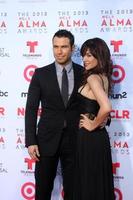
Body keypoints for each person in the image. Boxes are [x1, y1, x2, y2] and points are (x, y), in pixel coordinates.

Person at [25, 29, 83, 200]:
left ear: (72, 48)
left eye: (64, 47)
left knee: (74, 190)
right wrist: (31, 141)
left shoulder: (84, 73)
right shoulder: (40, 74)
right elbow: (31, 109)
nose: (59, 51)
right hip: (45, 140)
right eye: (55, 46)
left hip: (75, 140)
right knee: (42, 190)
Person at [73, 37, 115, 200]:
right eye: (84, 55)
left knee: (88, 183)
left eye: (90, 55)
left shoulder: (92, 78)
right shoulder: (103, 77)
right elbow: (101, 109)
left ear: (100, 56)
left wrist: (92, 124)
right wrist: (101, 121)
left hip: (89, 137)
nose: (84, 59)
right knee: (96, 182)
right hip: (99, 138)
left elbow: (106, 107)